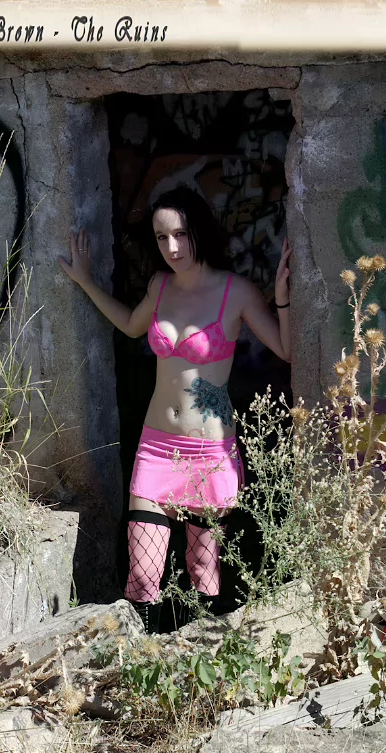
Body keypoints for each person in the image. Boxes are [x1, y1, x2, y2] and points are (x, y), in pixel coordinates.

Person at [58, 185, 291, 633]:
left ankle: (200, 663)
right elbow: (131, 326)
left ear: (199, 231)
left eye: (181, 235)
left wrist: (281, 297)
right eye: (162, 238)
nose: (172, 248)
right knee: (143, 576)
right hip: (156, 448)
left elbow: (286, 349)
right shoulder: (159, 286)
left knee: (204, 573)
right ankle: (138, 661)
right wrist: (85, 280)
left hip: (209, 455)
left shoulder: (236, 292)